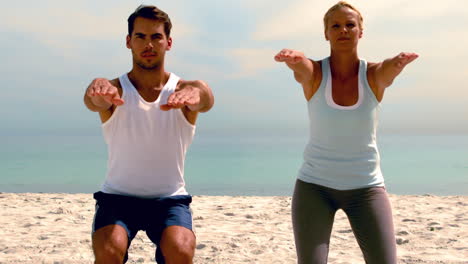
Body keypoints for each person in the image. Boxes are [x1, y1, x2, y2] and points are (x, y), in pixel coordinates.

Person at [274, 1, 418, 264]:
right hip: (314, 187)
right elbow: (303, 68)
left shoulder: (373, 74)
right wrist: (295, 60)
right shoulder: (316, 73)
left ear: (360, 31)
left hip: (366, 188)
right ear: (326, 33)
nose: (343, 30)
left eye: (350, 25)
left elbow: (386, 71)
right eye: (335, 26)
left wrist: (397, 64)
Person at [83, 5, 214, 264]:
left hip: (169, 199)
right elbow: (93, 100)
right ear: (129, 41)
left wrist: (198, 95)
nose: (149, 44)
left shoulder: (183, 89)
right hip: (117, 198)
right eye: (141, 36)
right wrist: (96, 89)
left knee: (181, 249)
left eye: (156, 37)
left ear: (168, 42)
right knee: (110, 250)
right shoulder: (114, 89)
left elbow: (205, 97)